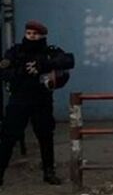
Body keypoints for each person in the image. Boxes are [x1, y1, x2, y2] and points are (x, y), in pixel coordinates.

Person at [0, 21, 74, 186]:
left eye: (35, 33)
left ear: (42, 36)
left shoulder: (49, 51)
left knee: (45, 136)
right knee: (8, 137)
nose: (32, 36)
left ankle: (49, 172)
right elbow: (4, 72)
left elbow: (68, 60)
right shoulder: (15, 52)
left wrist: (43, 65)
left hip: (41, 100)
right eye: (29, 33)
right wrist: (21, 72)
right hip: (19, 100)